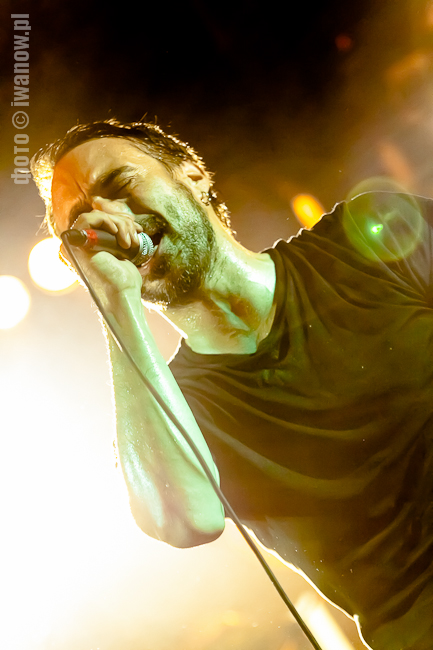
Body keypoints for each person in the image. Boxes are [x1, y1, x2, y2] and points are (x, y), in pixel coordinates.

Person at [31, 119, 433, 650]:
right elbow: (182, 521)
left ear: (192, 175)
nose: (110, 220)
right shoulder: (177, 410)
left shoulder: (367, 235)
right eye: (82, 223)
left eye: (121, 185)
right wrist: (114, 301)